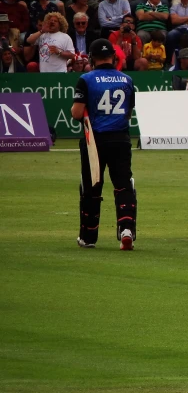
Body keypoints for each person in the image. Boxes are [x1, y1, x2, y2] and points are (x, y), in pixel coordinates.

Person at [71, 38, 137, 250]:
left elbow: (77, 113)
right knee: (123, 184)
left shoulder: (86, 79)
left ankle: (88, 237)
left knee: (92, 188)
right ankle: (126, 229)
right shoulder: (127, 80)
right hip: (120, 138)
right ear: (114, 57)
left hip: (95, 141)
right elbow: (128, 113)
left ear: (91, 57)